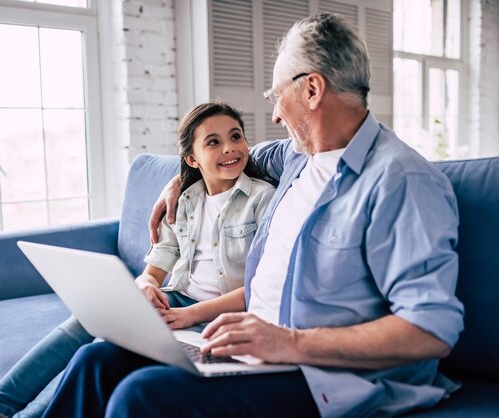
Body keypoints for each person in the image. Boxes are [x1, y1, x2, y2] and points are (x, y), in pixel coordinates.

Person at [40, 12, 464, 418]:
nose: (276, 113)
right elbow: (235, 156)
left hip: (324, 375)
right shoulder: (298, 156)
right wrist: (183, 177)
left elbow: (430, 329)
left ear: (312, 90)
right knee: (96, 360)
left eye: (277, 95)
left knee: (141, 396)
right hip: (252, 349)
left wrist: (290, 343)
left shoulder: (401, 180)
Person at [0, 101, 274, 418]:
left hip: (219, 315)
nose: (230, 149)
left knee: (101, 355)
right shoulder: (186, 200)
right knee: (87, 321)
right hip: (177, 300)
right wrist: (144, 285)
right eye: (213, 142)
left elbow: (261, 287)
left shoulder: (263, 198)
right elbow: (156, 268)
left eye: (236, 136)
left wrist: (191, 314)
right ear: (192, 158)